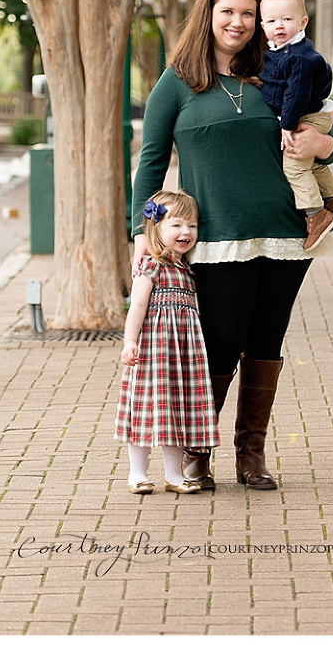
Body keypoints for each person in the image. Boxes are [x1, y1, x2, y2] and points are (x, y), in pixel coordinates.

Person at [130, 0, 333, 491]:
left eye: (248, 13)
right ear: (208, 14)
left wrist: (325, 145)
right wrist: (145, 234)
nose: (239, 22)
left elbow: (322, 133)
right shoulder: (177, 82)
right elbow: (152, 162)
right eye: (228, 11)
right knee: (220, 342)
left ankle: (251, 453)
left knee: (266, 340)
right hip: (215, 238)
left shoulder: (277, 70)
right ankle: (199, 450)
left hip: (285, 232)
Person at [114, 189, 218, 496]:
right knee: (145, 409)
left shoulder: (188, 271)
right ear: (156, 229)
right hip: (152, 353)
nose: (186, 232)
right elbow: (138, 306)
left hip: (181, 355)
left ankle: (174, 474)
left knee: (177, 411)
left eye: (192, 225)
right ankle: (137, 473)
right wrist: (129, 342)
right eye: (176, 225)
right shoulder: (151, 266)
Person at [259, 0, 333, 250]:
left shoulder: (300, 57)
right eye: (272, 21)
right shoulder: (277, 51)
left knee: (295, 166)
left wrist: (286, 125)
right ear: (262, 24)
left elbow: (296, 95)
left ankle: (316, 214)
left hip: (307, 117)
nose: (279, 26)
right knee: (312, 166)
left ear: (303, 22)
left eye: (287, 20)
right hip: (307, 115)